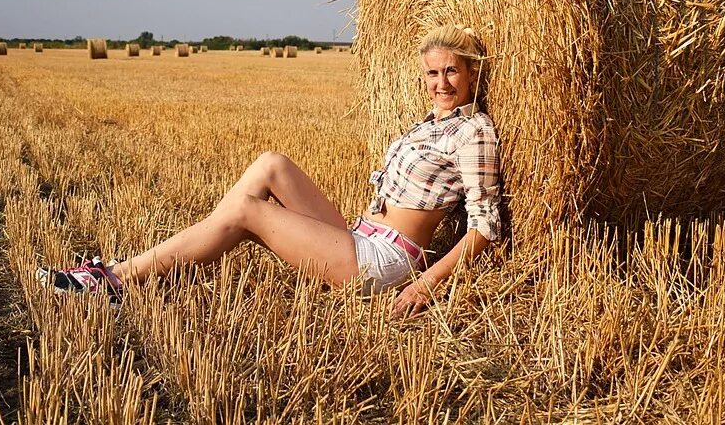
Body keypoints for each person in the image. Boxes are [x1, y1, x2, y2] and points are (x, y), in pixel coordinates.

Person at [37, 24, 503, 317]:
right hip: (358, 235)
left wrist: (427, 281)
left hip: (383, 262)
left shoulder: (474, 132)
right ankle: (184, 253)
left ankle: (117, 278)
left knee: (245, 210)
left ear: (472, 74)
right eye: (432, 73)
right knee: (271, 164)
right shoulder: (430, 123)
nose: (441, 83)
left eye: (452, 72)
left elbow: (485, 225)